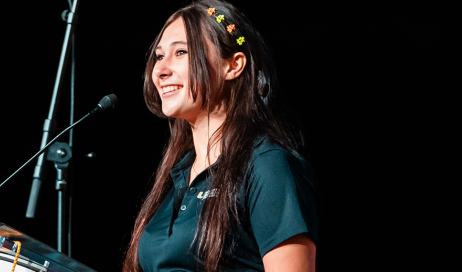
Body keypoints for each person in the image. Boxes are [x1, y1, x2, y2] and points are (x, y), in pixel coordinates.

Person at [122, 0, 319, 271]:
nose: (161, 70)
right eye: (158, 56)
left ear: (233, 65)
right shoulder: (176, 175)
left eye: (181, 52)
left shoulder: (267, 165)